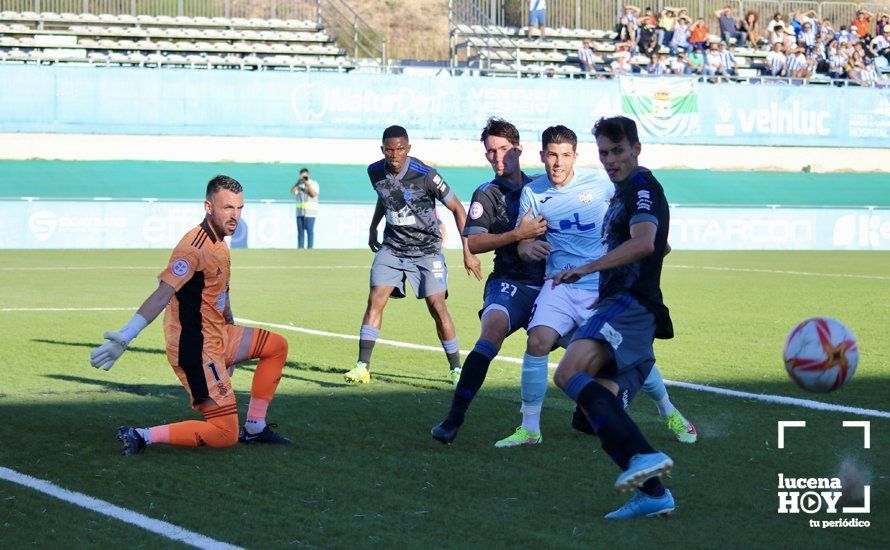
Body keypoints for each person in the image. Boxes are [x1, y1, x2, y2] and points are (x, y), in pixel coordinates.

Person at [496, 125, 696, 448]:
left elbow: (636, 223)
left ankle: (668, 411)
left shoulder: (604, 183)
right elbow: (523, 241)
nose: (557, 163)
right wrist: (527, 249)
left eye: (564, 156)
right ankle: (530, 429)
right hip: (560, 283)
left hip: (601, 287)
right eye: (551, 156)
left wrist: (657, 244)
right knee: (537, 340)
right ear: (542, 156)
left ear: (576, 157)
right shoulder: (533, 192)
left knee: (631, 355)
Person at [89, 175, 292, 455]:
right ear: (208, 206)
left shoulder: (220, 240)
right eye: (227, 208)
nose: (235, 216)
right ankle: (141, 435)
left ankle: (255, 428)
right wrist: (127, 334)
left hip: (217, 334)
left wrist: (230, 336)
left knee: (276, 346)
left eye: (239, 208)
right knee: (224, 433)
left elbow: (220, 291)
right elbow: (162, 294)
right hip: (195, 348)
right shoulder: (193, 247)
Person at [546, 116, 677, 519]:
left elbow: (645, 243)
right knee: (593, 406)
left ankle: (643, 455)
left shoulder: (640, 187)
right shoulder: (623, 193)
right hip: (624, 304)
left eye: (618, 151)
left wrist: (588, 270)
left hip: (629, 304)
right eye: (604, 152)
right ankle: (654, 493)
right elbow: (662, 246)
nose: (610, 160)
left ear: (636, 149)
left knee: (567, 373)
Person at [430, 117, 548, 445]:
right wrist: (517, 235)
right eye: (491, 152)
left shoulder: (542, 187)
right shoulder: (487, 193)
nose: (497, 157)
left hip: (550, 284)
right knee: (491, 331)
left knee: (587, 341)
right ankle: (454, 418)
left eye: (504, 149)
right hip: (509, 282)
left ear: (518, 150)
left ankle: (589, 413)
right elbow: (476, 242)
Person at [344, 125, 482, 385]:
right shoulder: (375, 171)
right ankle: (362, 366)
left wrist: (468, 249)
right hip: (392, 248)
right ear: (382, 149)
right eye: (388, 149)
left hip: (427, 251)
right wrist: (374, 226)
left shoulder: (426, 175)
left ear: (408, 149)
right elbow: (384, 196)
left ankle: (456, 369)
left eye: (399, 149)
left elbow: (457, 208)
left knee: (437, 306)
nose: (394, 154)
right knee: (376, 298)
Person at [291, 167, 319, 249]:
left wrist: (307, 185)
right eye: (302, 176)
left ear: (308, 175)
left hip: (310, 213)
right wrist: (297, 183)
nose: (304, 178)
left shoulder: (314, 183)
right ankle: (300, 249)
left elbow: (314, 194)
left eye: (305, 176)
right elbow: (292, 192)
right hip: (300, 213)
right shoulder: (299, 185)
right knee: (300, 233)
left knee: (310, 232)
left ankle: (310, 249)